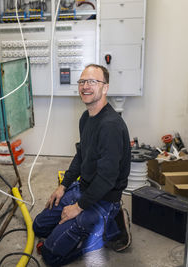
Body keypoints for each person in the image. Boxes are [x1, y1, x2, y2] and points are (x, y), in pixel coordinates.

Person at [33, 64, 132, 266]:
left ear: (105, 88)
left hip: (104, 199)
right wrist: (63, 186)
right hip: (84, 189)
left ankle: (112, 227)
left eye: (92, 81)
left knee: (50, 255)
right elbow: (81, 156)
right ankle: (83, 224)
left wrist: (77, 207)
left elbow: (106, 179)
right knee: (39, 227)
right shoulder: (86, 118)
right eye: (82, 81)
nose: (85, 86)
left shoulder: (110, 126)